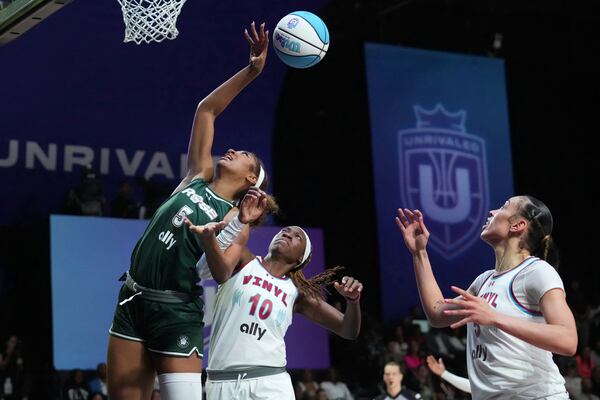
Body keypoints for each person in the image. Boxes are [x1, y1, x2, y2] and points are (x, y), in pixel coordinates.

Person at [107, 20, 272, 400]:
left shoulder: (236, 218)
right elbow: (206, 110)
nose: (232, 150)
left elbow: (219, 272)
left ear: (251, 179)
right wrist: (251, 71)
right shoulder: (196, 177)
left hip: (176, 313)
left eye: (243, 154)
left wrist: (217, 234)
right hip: (133, 300)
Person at [396, 196, 578, 399]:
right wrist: (419, 253)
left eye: (503, 207)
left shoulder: (537, 271)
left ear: (518, 225)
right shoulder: (483, 281)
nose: (491, 212)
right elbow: (437, 314)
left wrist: (494, 317)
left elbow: (568, 340)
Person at [185, 216, 363, 400]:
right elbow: (207, 268)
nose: (287, 233)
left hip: (269, 382)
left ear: (301, 258)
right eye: (285, 230)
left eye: (297, 236)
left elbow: (348, 330)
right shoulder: (244, 260)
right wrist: (210, 238)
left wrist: (353, 301)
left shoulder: (297, 294)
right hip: (221, 382)